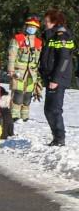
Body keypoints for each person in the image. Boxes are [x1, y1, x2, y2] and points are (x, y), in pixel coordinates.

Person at [39, 9, 74, 146]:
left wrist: (56, 79)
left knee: (53, 110)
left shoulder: (61, 35)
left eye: (47, 21)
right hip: (50, 78)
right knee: (49, 110)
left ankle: (59, 139)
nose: (45, 23)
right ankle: (57, 138)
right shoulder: (51, 35)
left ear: (54, 21)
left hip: (57, 79)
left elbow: (64, 59)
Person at [6, 16, 42, 122]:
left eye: (34, 27)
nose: (32, 28)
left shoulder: (38, 42)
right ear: (26, 26)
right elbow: (11, 55)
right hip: (19, 72)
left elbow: (39, 59)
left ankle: (25, 115)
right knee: (18, 93)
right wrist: (11, 70)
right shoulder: (18, 39)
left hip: (32, 73)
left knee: (28, 95)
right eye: (30, 26)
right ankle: (14, 115)